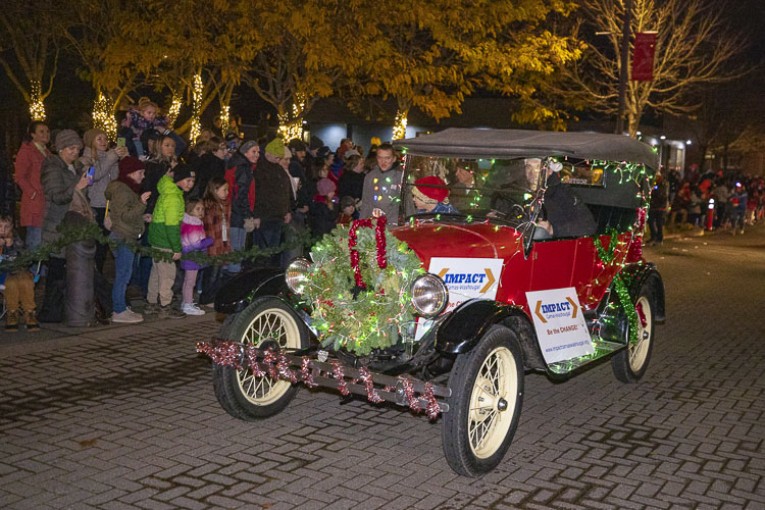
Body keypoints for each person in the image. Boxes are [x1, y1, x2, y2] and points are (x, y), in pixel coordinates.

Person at [38, 129, 88, 323]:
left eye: (77, 148)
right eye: (70, 148)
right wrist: (77, 187)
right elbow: (56, 196)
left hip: (73, 225)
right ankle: (50, 313)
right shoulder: (52, 167)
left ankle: (65, 310)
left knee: (69, 270)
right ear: (60, 149)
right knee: (57, 271)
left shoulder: (74, 167)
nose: (74, 152)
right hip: (57, 226)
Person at [104, 156, 150, 324]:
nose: (142, 176)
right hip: (123, 237)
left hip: (125, 235)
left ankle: (121, 305)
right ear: (130, 172)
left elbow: (125, 215)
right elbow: (125, 216)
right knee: (123, 275)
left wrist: (142, 217)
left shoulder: (125, 189)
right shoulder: (123, 190)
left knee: (125, 273)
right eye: (140, 172)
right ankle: (119, 310)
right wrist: (141, 203)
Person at [145, 165, 195, 319]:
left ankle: (151, 303)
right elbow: (172, 225)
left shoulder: (168, 191)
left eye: (192, 181)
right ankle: (165, 306)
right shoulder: (174, 197)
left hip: (157, 238)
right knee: (167, 275)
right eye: (187, 180)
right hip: (165, 241)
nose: (190, 184)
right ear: (179, 179)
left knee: (156, 273)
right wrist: (176, 248)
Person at [80, 128, 127, 273]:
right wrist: (111, 157)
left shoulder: (108, 157)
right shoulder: (84, 160)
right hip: (94, 206)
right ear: (90, 141)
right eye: (99, 139)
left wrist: (119, 159)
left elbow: (114, 177)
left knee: (104, 246)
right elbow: (93, 176)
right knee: (96, 244)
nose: (104, 142)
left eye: (105, 139)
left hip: (108, 205)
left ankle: (98, 276)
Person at [253, 138, 293, 267]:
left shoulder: (278, 169)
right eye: (277, 157)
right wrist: (257, 215)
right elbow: (258, 194)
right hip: (266, 216)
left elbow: (286, 191)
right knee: (264, 251)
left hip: (278, 216)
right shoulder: (260, 169)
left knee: (274, 250)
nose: (278, 160)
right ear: (268, 154)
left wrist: (287, 210)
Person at [534, 159, 597, 239]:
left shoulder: (563, 193)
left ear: (549, 170)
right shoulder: (519, 192)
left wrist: (553, 229)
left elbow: (588, 226)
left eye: (537, 167)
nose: (532, 172)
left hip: (554, 247)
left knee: (539, 233)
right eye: (528, 166)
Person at [13, 121, 51, 250]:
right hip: (34, 204)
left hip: (45, 202)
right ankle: (35, 270)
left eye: (47, 131)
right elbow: (19, 176)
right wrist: (33, 193)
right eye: (41, 131)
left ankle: (41, 270)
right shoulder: (27, 151)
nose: (46, 134)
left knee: (44, 241)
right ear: (33, 135)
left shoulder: (47, 153)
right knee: (35, 240)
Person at [225, 140, 259, 273]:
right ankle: (233, 277)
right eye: (253, 152)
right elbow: (241, 194)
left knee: (234, 248)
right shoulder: (243, 168)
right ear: (245, 153)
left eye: (258, 152)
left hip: (234, 212)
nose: (256, 155)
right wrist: (247, 216)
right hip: (238, 215)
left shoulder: (238, 165)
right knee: (237, 249)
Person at [0, 214, 39, 331]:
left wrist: (11, 247)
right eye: (0, 226)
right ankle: (12, 312)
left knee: (25, 281)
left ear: (11, 227)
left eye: (6, 227)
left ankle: (29, 312)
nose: (3, 230)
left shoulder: (16, 240)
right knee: (11, 283)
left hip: (19, 270)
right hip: (3, 273)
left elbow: (24, 257)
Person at [200, 177, 231, 305]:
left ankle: (214, 296)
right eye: (224, 190)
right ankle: (206, 298)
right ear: (215, 190)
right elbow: (208, 228)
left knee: (219, 273)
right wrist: (211, 245)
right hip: (213, 244)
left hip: (222, 241)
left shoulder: (225, 205)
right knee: (211, 273)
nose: (227, 192)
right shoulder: (209, 206)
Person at [180, 199, 212, 316]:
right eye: (197, 209)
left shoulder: (195, 223)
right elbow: (196, 244)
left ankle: (186, 302)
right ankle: (188, 304)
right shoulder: (192, 225)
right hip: (192, 256)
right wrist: (208, 241)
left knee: (188, 281)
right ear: (190, 209)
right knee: (190, 282)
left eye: (202, 209)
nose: (201, 211)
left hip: (192, 256)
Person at [360, 143, 404, 224]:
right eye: (380, 158)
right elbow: (365, 202)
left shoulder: (400, 177)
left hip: (393, 224)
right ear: (376, 158)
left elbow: (407, 203)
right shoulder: (370, 176)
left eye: (387, 158)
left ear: (394, 159)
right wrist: (361, 224)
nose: (383, 161)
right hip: (372, 224)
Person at [647, 173, 669, 246]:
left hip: (660, 207)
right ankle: (653, 237)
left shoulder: (663, 185)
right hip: (653, 206)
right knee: (651, 222)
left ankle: (659, 238)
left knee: (659, 223)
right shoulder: (653, 184)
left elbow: (661, 195)